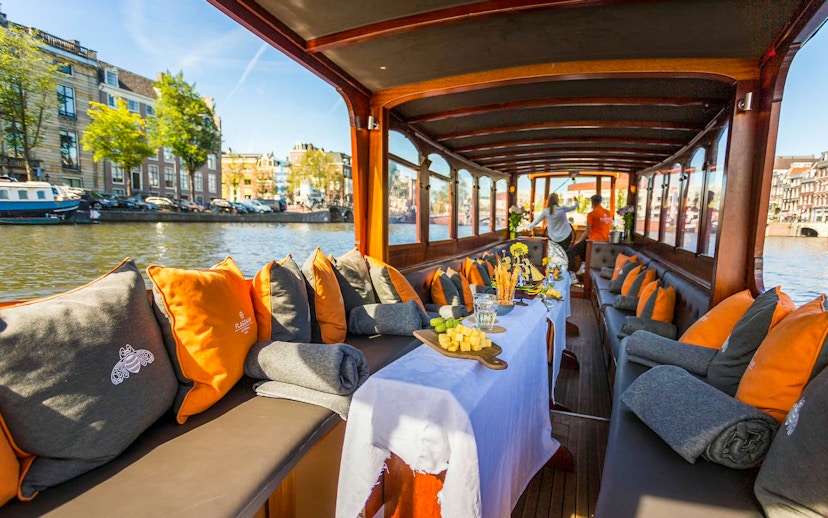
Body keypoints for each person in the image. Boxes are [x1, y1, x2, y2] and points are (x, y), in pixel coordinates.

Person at [566, 194, 612, 274]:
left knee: (570, 251)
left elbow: (587, 231)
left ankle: (572, 274)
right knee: (582, 249)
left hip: (593, 243)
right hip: (605, 242)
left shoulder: (592, 214)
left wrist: (578, 241)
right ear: (600, 202)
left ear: (592, 202)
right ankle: (582, 267)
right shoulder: (608, 213)